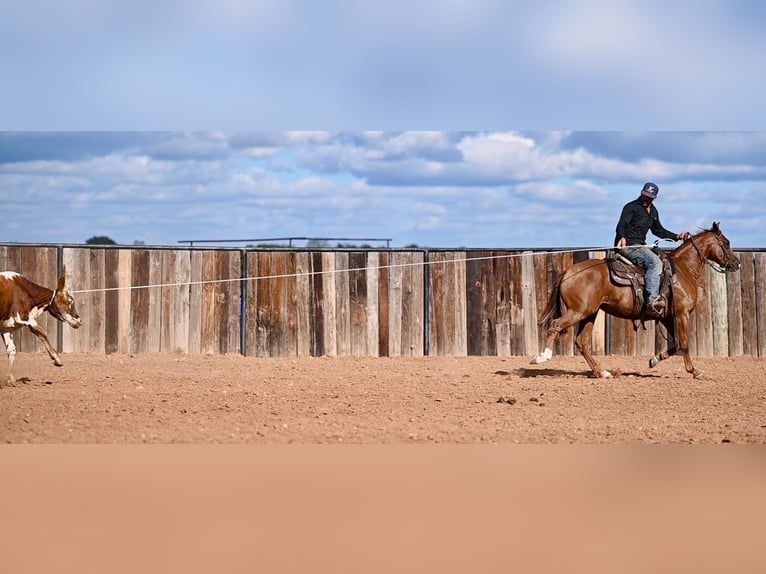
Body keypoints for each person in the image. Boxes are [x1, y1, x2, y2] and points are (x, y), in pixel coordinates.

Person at [614, 182, 691, 316]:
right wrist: (621, 237)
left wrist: (677, 236)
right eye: (644, 195)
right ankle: (652, 301)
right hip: (628, 245)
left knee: (663, 260)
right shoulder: (631, 207)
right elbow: (621, 225)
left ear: (654, 198)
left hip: (641, 245)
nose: (646, 199)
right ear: (641, 193)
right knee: (655, 262)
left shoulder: (653, 212)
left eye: (649, 197)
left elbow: (658, 230)